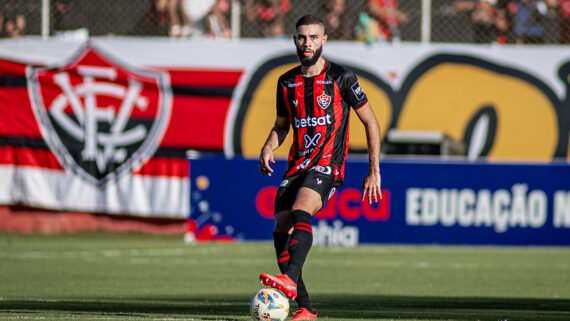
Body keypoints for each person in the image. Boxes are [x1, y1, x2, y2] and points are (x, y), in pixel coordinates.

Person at [258, 15, 382, 320]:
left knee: (302, 209)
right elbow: (281, 125)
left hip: (328, 164)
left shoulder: (342, 78)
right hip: (297, 165)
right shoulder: (286, 82)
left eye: (313, 37)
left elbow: (370, 121)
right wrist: (268, 145)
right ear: (295, 41)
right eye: (302, 37)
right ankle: (306, 309)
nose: (307, 43)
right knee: (280, 230)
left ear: (324, 41)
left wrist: (374, 169)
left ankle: (288, 280)